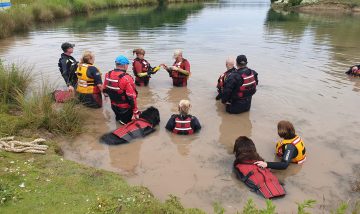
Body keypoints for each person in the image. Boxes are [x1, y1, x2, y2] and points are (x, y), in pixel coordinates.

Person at [103, 55, 139, 124]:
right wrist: (135, 111)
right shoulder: (127, 78)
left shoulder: (108, 74)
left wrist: (106, 97)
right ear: (125, 65)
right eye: (127, 65)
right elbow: (132, 97)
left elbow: (105, 89)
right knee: (126, 125)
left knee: (119, 120)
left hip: (113, 106)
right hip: (125, 108)